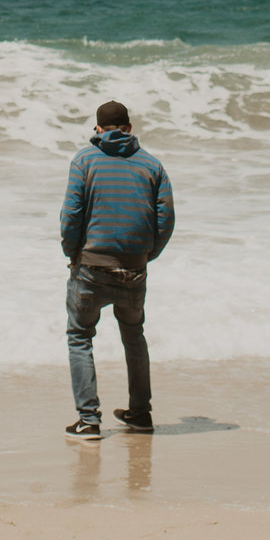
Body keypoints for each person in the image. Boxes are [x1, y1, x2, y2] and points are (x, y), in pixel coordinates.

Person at [58, 99, 175, 439]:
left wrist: (73, 254)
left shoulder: (85, 160)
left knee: (80, 337)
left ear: (98, 130)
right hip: (134, 269)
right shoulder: (152, 166)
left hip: (91, 267)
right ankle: (140, 414)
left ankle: (89, 420)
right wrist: (145, 255)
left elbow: (71, 216)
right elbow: (165, 220)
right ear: (129, 127)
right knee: (134, 336)